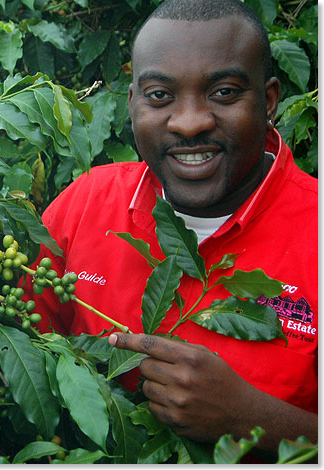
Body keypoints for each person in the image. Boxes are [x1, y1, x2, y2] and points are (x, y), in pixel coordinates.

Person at [21, 0, 317, 459]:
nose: (190, 122)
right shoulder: (85, 204)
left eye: (224, 93)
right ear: (133, 104)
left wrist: (249, 417)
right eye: (161, 96)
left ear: (270, 100)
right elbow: (15, 338)